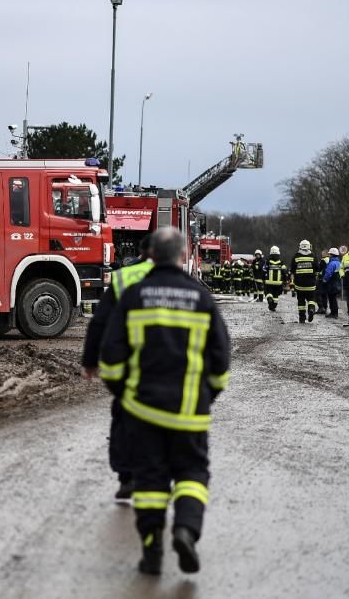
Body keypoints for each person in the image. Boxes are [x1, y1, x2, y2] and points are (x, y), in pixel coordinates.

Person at [98, 228, 231, 576]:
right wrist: (206, 397)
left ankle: (151, 548)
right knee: (191, 473)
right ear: (183, 257)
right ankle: (186, 531)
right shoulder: (201, 298)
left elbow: (111, 358)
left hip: (143, 410)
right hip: (190, 411)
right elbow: (220, 361)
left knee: (150, 480)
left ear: (152, 256)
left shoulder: (135, 294)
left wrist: (123, 393)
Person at [83, 234, 153, 502]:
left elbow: (100, 321)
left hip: (128, 361)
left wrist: (90, 360)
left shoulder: (123, 277)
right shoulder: (179, 282)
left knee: (124, 417)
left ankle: (127, 476)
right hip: (168, 365)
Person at [290, 240, 319, 323]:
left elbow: (292, 269)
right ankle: (311, 309)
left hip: (299, 284)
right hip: (311, 283)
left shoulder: (296, 256)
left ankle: (302, 318)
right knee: (311, 298)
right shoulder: (313, 256)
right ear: (309, 246)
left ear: (300, 246)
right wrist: (315, 277)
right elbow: (317, 268)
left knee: (301, 300)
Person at [263, 246, 288, 312]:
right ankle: (273, 306)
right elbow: (284, 271)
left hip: (269, 281)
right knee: (276, 295)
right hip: (278, 282)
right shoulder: (281, 262)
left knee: (268, 292)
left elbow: (264, 269)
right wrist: (285, 280)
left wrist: (263, 279)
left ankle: (270, 299)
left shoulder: (268, 261)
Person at [321, 248, 342, 318]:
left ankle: (334, 313)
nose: (329, 255)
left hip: (331, 283)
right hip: (337, 282)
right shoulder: (339, 262)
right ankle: (334, 312)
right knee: (334, 298)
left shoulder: (332, 263)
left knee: (331, 298)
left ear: (332, 255)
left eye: (329, 254)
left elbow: (328, 273)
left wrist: (324, 280)